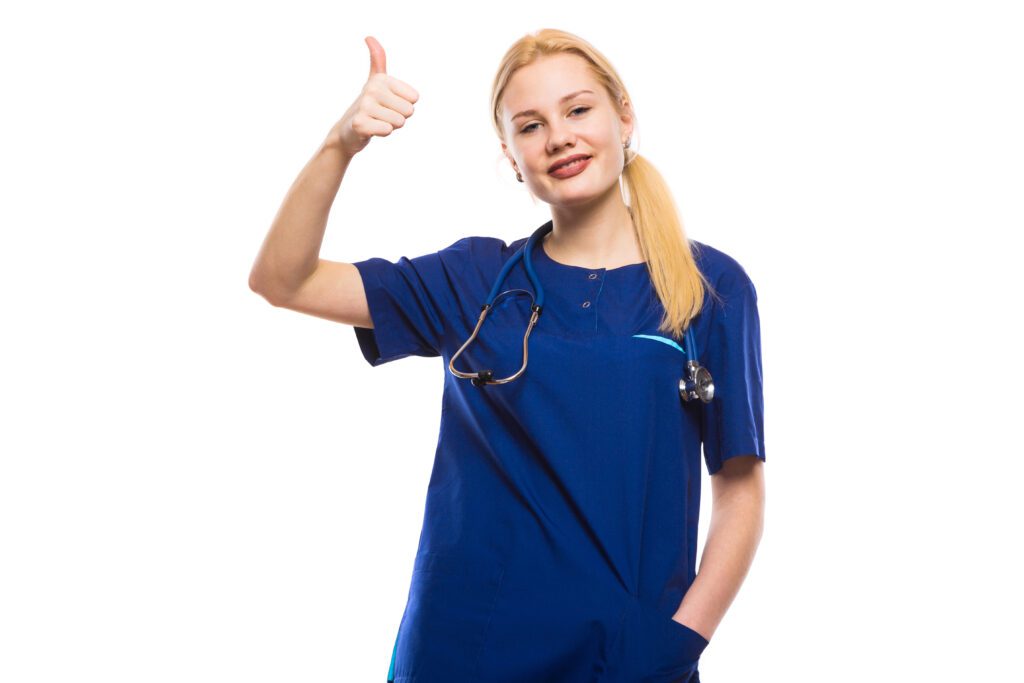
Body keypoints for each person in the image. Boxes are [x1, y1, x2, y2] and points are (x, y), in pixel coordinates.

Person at [249, 28, 765, 683]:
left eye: (578, 110)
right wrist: (340, 145)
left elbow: (741, 490)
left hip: (627, 662)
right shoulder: (472, 281)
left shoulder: (708, 288)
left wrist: (675, 644)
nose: (559, 136)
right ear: (511, 157)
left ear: (624, 115)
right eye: (530, 125)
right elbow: (282, 279)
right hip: (461, 650)